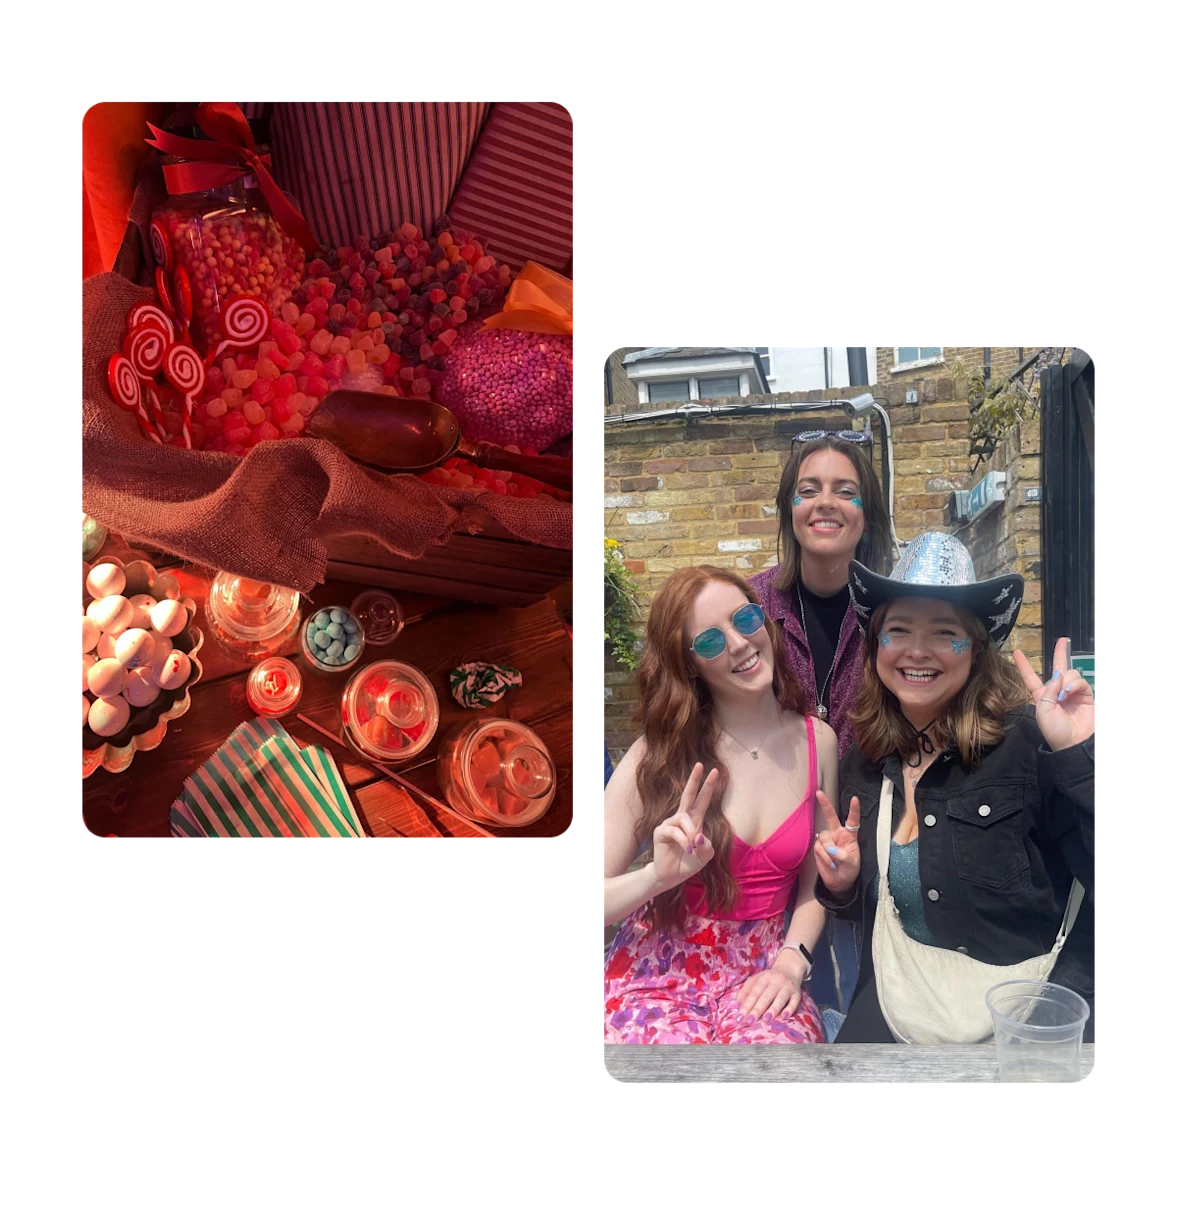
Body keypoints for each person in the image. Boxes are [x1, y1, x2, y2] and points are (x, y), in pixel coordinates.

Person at [813, 531, 1096, 1044]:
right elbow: (884, 915)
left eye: (945, 633)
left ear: (975, 648)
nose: (918, 651)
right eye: (898, 630)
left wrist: (1081, 756)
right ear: (876, 645)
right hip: (905, 1006)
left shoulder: (1030, 745)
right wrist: (842, 885)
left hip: (1032, 1014)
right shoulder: (867, 763)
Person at [601, 565, 838, 1044]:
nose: (739, 643)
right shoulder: (657, 754)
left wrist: (792, 962)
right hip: (657, 976)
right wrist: (657, 877)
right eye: (710, 641)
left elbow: (817, 886)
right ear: (690, 664)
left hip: (763, 974)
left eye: (746, 619)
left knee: (777, 1067)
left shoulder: (819, 742)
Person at [747, 431, 892, 1020]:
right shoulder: (751, 608)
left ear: (867, 514)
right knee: (778, 1001)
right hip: (772, 831)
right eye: (808, 490)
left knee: (863, 1000)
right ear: (790, 509)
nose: (825, 503)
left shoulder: (892, 608)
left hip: (867, 833)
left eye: (845, 491)